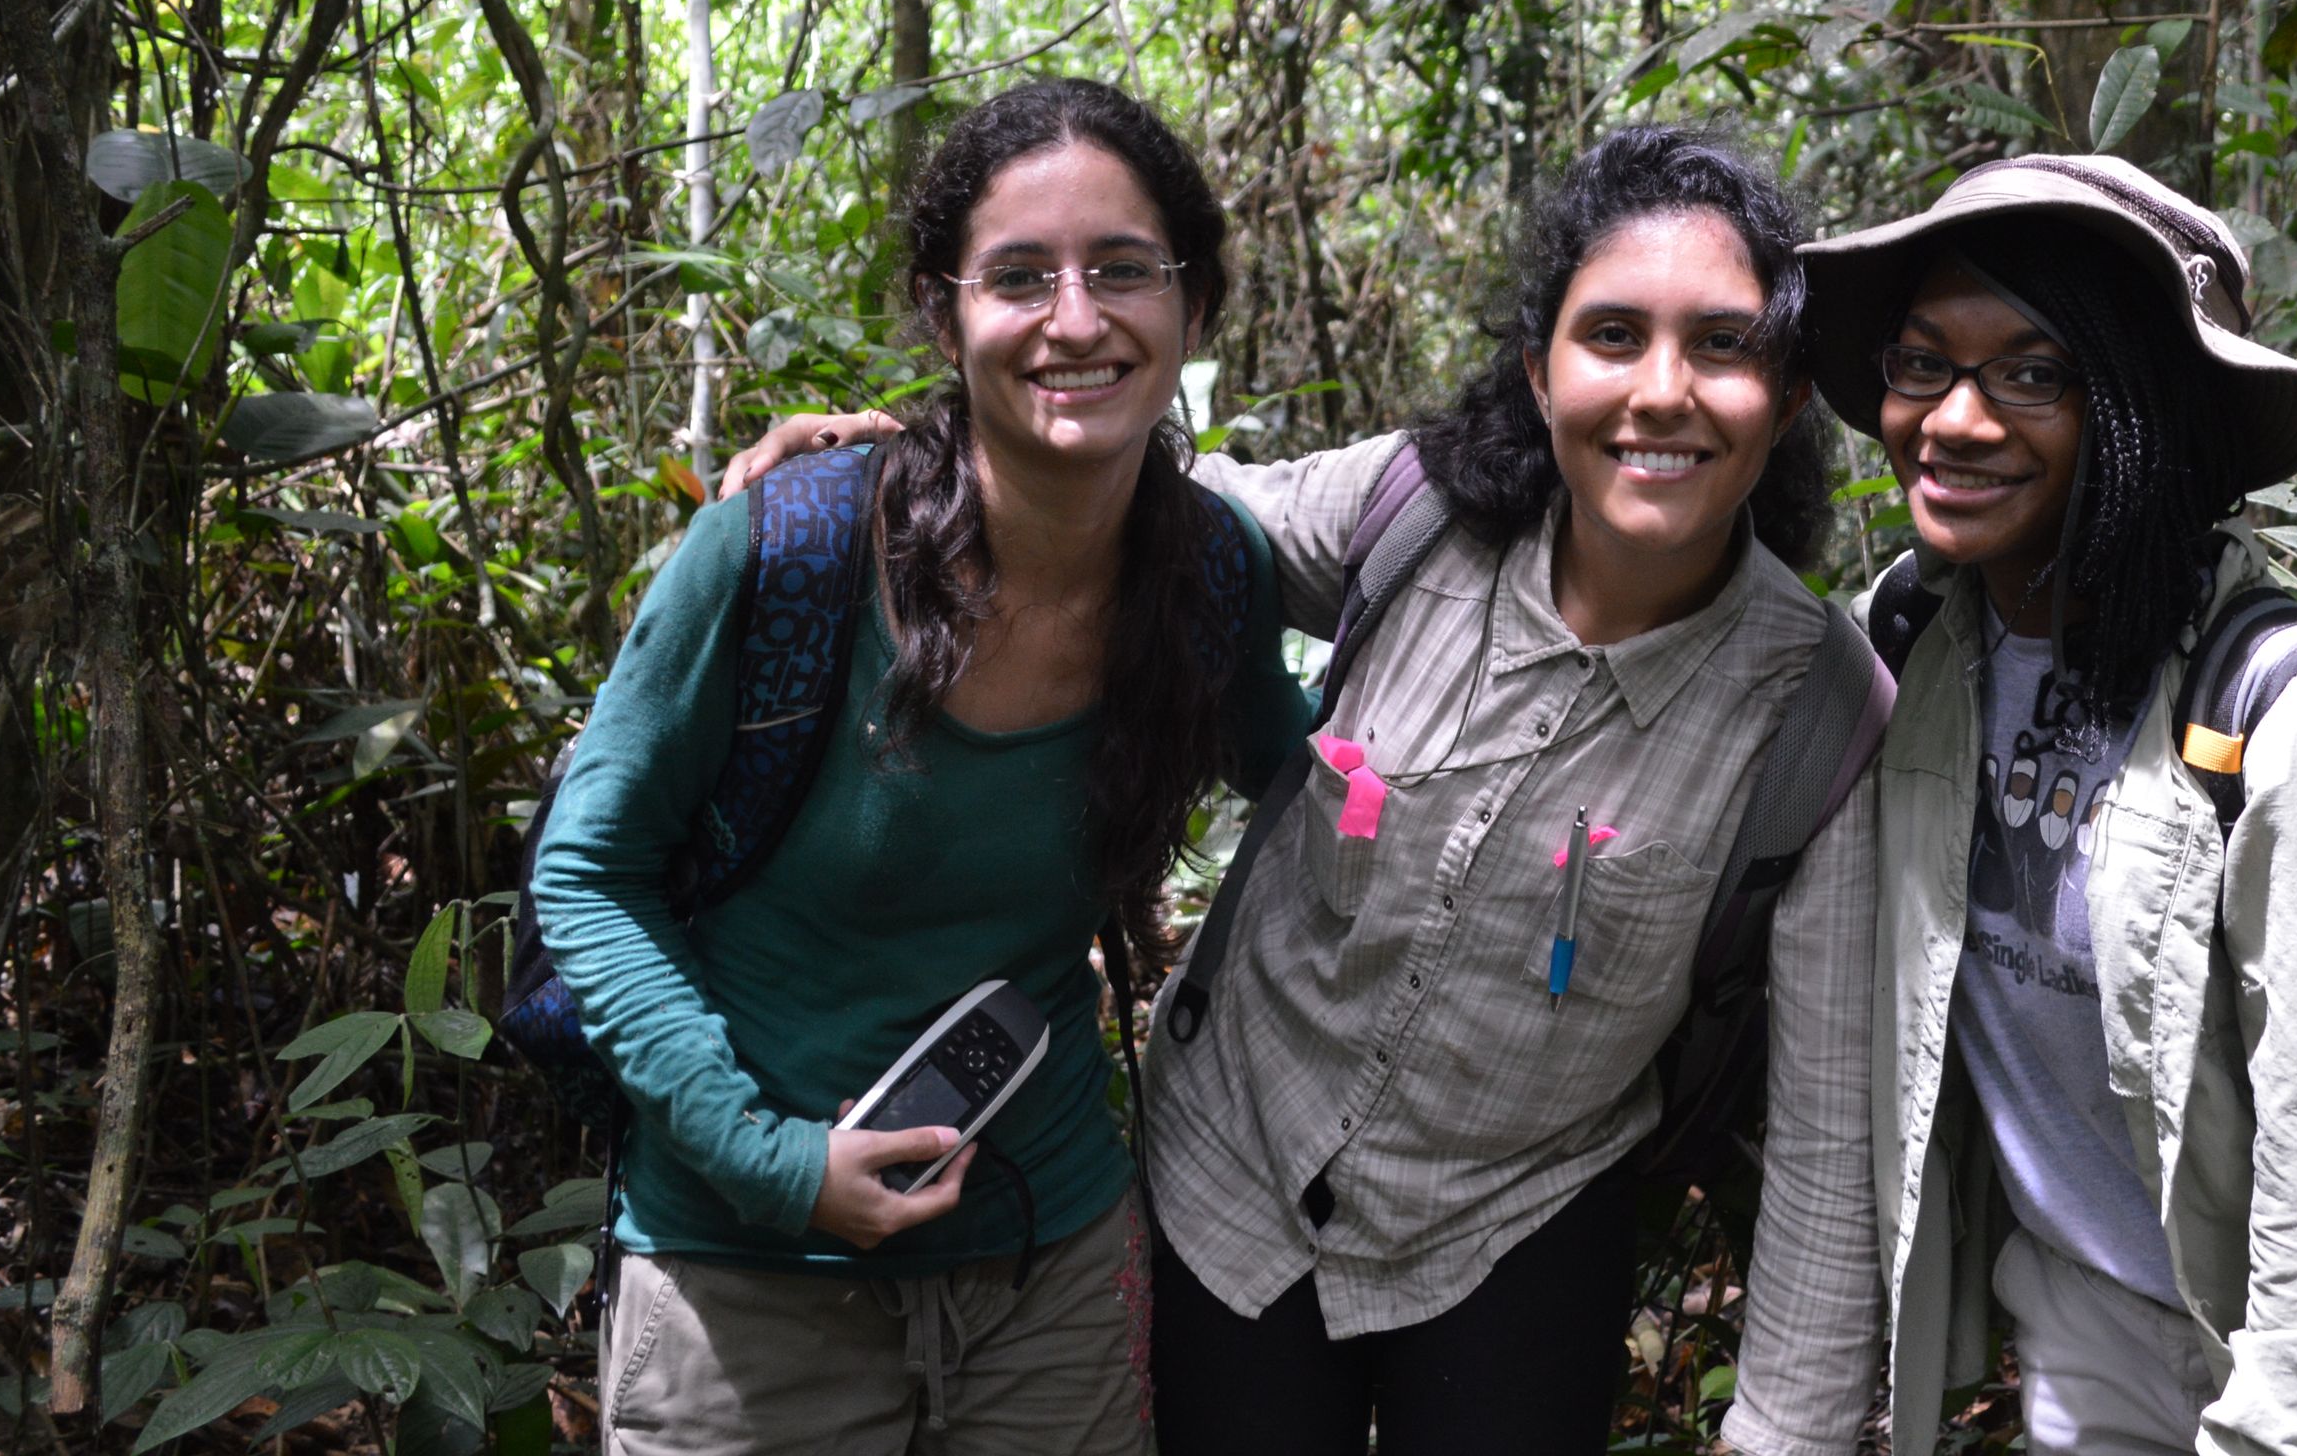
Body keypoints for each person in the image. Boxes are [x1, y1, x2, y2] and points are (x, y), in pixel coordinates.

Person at [725, 125, 1883, 1456]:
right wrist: (912, 467)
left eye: (1724, 346)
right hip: (1230, 1184)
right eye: (1612, 335)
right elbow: (1156, 507)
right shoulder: (1419, 513)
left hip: (1511, 1232)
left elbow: (1827, 1136)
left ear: (1789, 398)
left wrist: (1781, 1433)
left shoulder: (1819, 712)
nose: (1662, 392)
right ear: (1540, 370)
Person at [531, 79, 1310, 1456]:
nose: (1076, 319)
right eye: (1019, 278)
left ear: (1196, 304)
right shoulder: (790, 553)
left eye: (1123, 270)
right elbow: (589, 872)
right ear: (944, 312)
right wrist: (772, 1163)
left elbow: (1319, 800)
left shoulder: (1211, 578)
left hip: (1045, 1256)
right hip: (746, 1271)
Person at [1800, 154, 2297, 1456]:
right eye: (1922, 365)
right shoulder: (1917, 646)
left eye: (2034, 374)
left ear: (2143, 408)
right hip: (2092, 1352)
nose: (1956, 420)